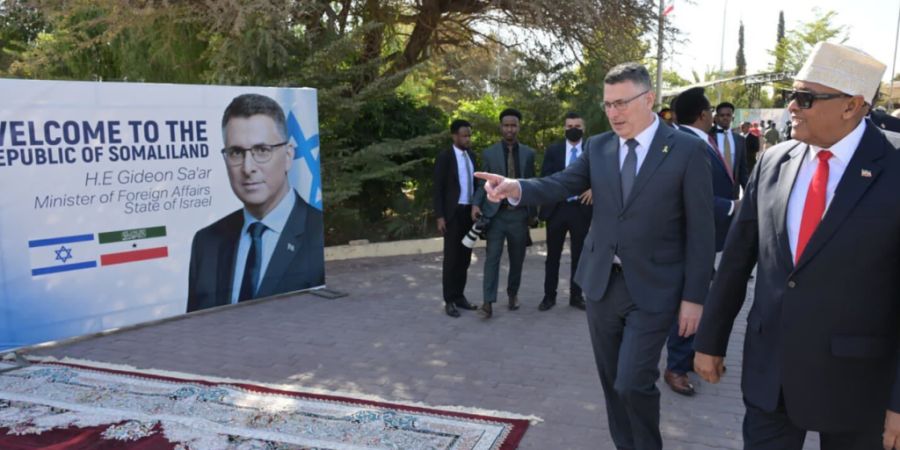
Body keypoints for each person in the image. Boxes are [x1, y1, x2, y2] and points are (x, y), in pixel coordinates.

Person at [475, 62, 715, 449]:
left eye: (622, 103)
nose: (614, 113)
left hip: (655, 288)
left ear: (649, 99)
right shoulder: (599, 146)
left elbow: (703, 231)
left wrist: (694, 298)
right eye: (607, 105)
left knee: (632, 380)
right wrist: (516, 186)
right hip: (603, 282)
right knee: (611, 383)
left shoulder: (686, 150)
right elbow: (563, 183)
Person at [694, 42, 900, 450]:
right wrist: (709, 341)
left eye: (805, 98)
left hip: (858, 392)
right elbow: (737, 259)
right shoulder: (775, 161)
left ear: (852, 105)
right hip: (771, 379)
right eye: (792, 95)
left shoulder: (894, 169)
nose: (792, 106)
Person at [187, 93, 325, 313]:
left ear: (288, 155)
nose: (248, 167)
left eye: (262, 150)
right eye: (236, 152)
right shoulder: (206, 243)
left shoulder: (318, 232)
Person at [471, 108, 536, 319]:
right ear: (501, 127)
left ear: (519, 127)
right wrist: (475, 205)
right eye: (506, 125)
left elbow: (532, 185)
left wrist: (533, 214)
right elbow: (482, 184)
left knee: (517, 259)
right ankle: (487, 302)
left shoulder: (528, 154)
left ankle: (512, 294)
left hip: (518, 215)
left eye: (513, 125)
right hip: (495, 215)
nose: (510, 129)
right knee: (492, 258)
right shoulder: (489, 153)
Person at [537, 112, 592, 312]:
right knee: (552, 256)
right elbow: (545, 177)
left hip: (582, 210)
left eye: (577, 125)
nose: (573, 129)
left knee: (580, 256)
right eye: (569, 126)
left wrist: (594, 188)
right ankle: (549, 296)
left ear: (583, 128)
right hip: (557, 209)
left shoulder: (592, 150)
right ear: (564, 128)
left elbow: (603, 175)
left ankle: (576, 296)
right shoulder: (554, 151)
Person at [433, 119, 479, 318]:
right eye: (463, 135)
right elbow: (438, 189)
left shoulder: (472, 157)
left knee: (465, 258)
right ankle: (449, 300)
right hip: (452, 215)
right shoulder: (445, 157)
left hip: (469, 214)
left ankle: (460, 296)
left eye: (469, 135)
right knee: (451, 259)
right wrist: (440, 216)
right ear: (454, 136)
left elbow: (477, 185)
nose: (467, 139)